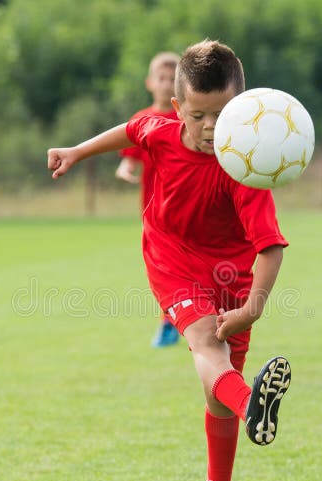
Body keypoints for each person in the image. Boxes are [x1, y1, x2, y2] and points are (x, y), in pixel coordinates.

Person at [48, 39, 292, 481]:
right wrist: (76, 151)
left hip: (232, 279)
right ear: (177, 108)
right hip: (171, 260)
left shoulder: (246, 167)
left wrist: (252, 307)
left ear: (242, 112)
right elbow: (131, 130)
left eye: (222, 115)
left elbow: (269, 248)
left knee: (215, 393)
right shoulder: (159, 131)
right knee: (207, 344)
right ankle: (254, 407)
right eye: (198, 114)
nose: (209, 127)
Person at [115, 51, 182, 348]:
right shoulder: (142, 120)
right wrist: (125, 168)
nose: (167, 85)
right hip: (154, 212)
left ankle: (174, 320)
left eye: (173, 79)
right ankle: (172, 318)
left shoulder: (188, 119)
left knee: (183, 266)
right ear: (149, 82)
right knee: (162, 269)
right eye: (162, 78)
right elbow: (129, 156)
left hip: (185, 206)